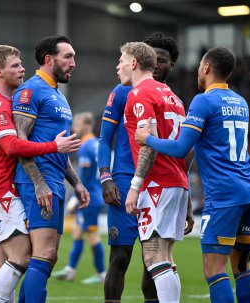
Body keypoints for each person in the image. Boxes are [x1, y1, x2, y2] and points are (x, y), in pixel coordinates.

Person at [135, 47, 250, 303]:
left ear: (206, 67)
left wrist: (147, 138)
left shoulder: (203, 100)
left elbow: (182, 148)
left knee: (214, 269)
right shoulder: (240, 101)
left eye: (199, 66)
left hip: (225, 195)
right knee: (242, 267)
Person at [0, 45, 81, 302]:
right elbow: (12, 146)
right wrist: (53, 146)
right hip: (0, 190)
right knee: (25, 256)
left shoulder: (6, 101)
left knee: (6, 263)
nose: (22, 69)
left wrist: (75, 181)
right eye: (15, 65)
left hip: (0, 189)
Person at [98, 32, 194, 303]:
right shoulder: (165, 96)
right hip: (136, 181)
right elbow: (105, 138)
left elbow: (150, 145)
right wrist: (106, 176)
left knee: (152, 258)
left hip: (150, 184)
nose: (157, 63)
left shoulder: (145, 94)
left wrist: (136, 186)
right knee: (124, 256)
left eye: (161, 60)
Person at [12, 35, 90, 303]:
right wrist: (39, 182)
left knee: (48, 256)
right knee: (43, 254)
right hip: (38, 182)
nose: (73, 63)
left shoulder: (58, 96)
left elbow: (61, 148)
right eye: (68, 57)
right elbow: (20, 140)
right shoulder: (30, 90)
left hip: (55, 182)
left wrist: (77, 182)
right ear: (49, 59)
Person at [53, 112, 106, 284]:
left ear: (87, 125)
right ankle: (70, 270)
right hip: (96, 193)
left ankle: (102, 274)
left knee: (92, 235)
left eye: (77, 123)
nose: (73, 127)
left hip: (88, 197)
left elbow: (82, 178)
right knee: (78, 232)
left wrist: (74, 199)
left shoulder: (85, 147)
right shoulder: (98, 144)